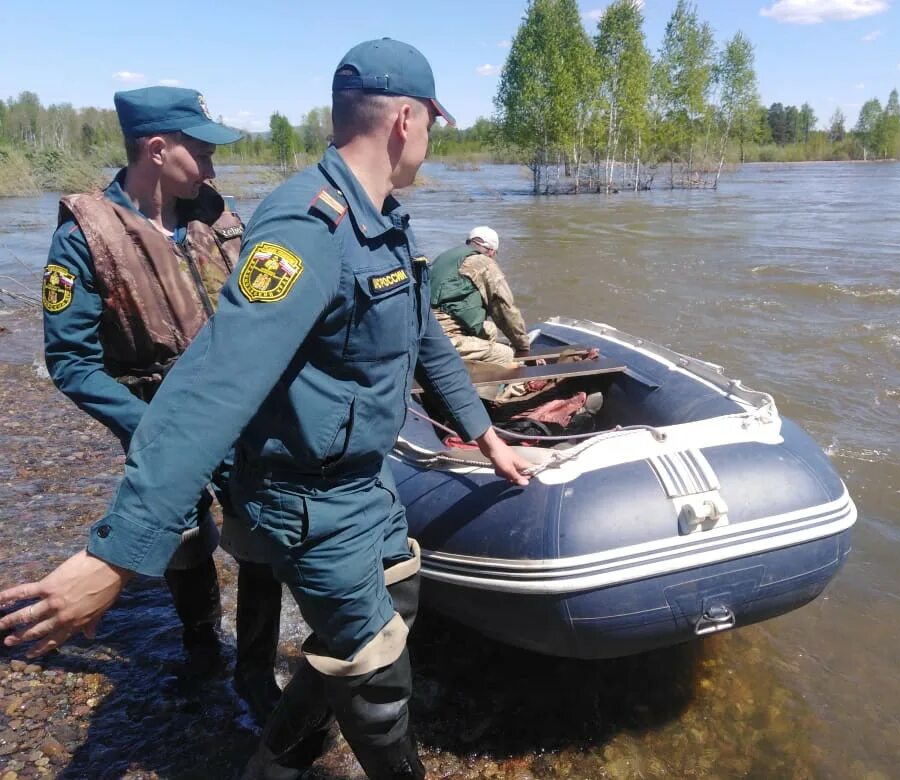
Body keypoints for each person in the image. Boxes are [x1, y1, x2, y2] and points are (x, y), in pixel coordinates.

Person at [2, 39, 530, 780]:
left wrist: (484, 435)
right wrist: (116, 554)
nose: (432, 137)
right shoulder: (307, 228)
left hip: (363, 480)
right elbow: (215, 381)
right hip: (307, 495)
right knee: (381, 685)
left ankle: (283, 750)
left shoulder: (384, 219)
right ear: (407, 121)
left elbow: (419, 336)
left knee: (397, 599)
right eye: (434, 123)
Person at [39, 85, 282, 717]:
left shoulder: (217, 216)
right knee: (182, 538)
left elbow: (267, 306)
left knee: (259, 534)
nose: (211, 165)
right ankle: (202, 650)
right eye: (200, 150)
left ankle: (255, 672)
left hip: (237, 407)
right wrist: (151, 425)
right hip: (153, 412)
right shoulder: (84, 236)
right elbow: (70, 362)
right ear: (156, 148)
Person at [430, 225, 531, 367]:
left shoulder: (447, 257)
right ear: (491, 251)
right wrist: (523, 347)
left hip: (426, 330)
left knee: (489, 329)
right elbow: (504, 309)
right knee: (506, 354)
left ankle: (475, 368)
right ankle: (479, 385)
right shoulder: (483, 262)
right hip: (445, 340)